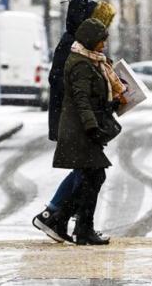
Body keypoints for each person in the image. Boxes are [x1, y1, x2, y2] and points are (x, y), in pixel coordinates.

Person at [32, 0, 117, 242]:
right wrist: (86, 110)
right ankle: (56, 216)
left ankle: (58, 217)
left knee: (87, 171)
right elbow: (65, 83)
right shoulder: (73, 46)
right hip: (74, 120)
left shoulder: (81, 47)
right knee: (88, 171)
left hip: (78, 118)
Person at [49, 18, 124, 245]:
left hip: (82, 128)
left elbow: (93, 98)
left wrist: (112, 105)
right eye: (102, 41)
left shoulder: (91, 60)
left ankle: (67, 223)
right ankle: (79, 228)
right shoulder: (81, 64)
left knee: (90, 177)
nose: (104, 45)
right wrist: (92, 127)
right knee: (93, 176)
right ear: (92, 40)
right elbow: (81, 101)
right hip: (79, 130)